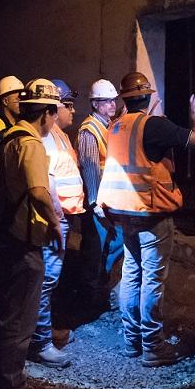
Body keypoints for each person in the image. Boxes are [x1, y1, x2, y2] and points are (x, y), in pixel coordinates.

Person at [97, 72, 195, 367]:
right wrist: (194, 114)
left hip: (124, 213)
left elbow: (141, 148)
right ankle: (153, 347)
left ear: (125, 98)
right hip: (151, 213)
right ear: (147, 97)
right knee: (152, 281)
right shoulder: (154, 126)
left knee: (131, 275)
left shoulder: (116, 126)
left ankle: (132, 342)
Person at [0, 79, 61, 389]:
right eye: (54, 114)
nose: (54, 121)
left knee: (1, 312)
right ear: (46, 113)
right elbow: (39, 192)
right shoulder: (31, 144)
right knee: (19, 319)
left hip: (0, 237)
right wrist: (55, 224)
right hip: (22, 243)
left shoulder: (6, 137)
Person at [27, 79, 85, 368]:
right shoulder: (46, 138)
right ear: (53, 107)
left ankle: (44, 333)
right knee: (46, 280)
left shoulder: (57, 133)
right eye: (67, 104)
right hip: (54, 221)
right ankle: (40, 344)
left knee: (49, 281)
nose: (72, 110)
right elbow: (45, 181)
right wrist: (55, 216)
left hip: (61, 218)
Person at [76, 78, 125, 314]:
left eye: (113, 100)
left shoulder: (107, 125)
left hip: (108, 202)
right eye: (106, 101)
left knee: (108, 249)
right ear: (95, 104)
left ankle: (98, 295)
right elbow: (89, 166)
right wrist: (94, 201)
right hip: (97, 203)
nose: (112, 105)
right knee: (94, 252)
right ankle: (87, 302)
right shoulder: (89, 130)